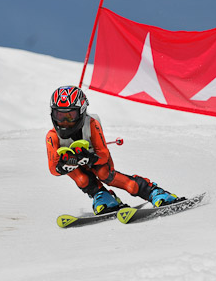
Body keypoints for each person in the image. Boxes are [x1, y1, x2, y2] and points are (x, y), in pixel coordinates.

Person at [45, 85, 184, 215]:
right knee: (82, 179)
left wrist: (90, 158)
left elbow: (103, 155)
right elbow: (53, 169)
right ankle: (103, 197)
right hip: (75, 165)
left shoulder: (92, 123)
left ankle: (153, 192)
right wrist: (62, 167)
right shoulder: (52, 137)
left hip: (96, 158)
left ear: (82, 111)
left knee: (106, 174)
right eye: (60, 116)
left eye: (71, 116)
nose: (65, 122)